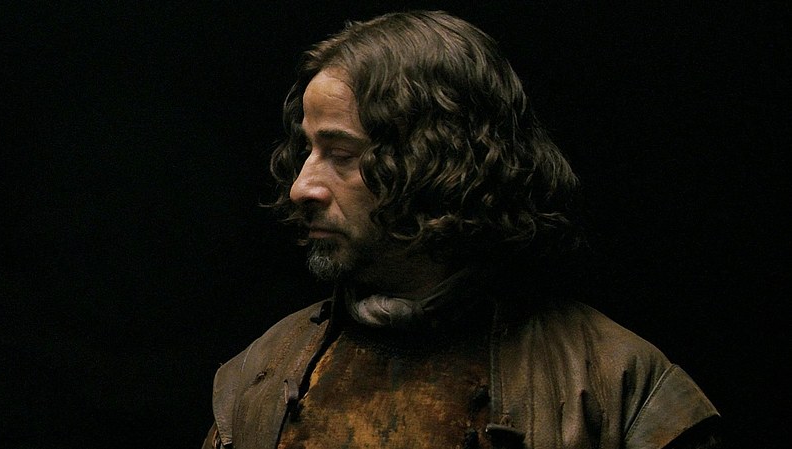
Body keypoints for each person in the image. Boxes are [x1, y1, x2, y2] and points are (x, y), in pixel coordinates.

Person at [202, 10, 719, 449]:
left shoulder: (620, 386)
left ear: (440, 163)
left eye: (341, 153)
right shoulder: (259, 377)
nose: (301, 187)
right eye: (309, 149)